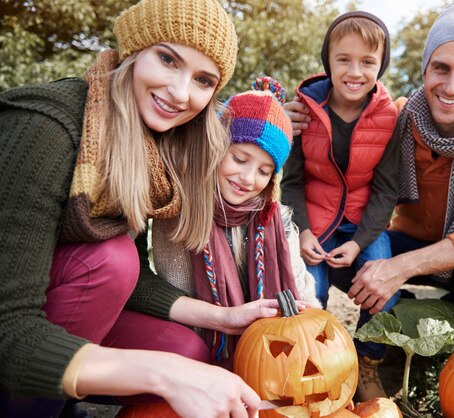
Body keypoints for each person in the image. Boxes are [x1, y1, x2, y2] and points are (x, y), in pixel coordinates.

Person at [0, 1, 291, 417]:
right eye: (168, 59)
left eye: (203, 80)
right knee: (111, 260)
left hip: (60, 303)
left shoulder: (151, 151)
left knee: (186, 348)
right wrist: (162, 373)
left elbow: (133, 282)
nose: (180, 93)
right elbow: (8, 326)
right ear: (135, 50)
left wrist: (223, 317)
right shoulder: (48, 128)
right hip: (16, 322)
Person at [289, 0, 454, 324]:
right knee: (346, 248)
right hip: (403, 242)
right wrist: (286, 116)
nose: (451, 86)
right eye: (441, 68)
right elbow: (339, 126)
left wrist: (399, 268)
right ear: (425, 69)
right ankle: (402, 310)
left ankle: (449, 323)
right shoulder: (399, 115)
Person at [148, 77, 320, 370]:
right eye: (240, 159)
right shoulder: (182, 216)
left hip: (269, 353)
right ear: (216, 149)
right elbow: (176, 296)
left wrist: (313, 328)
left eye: (264, 171)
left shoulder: (274, 219)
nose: (248, 179)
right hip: (204, 338)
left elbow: (302, 291)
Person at [280, 11, 400, 401]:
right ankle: (312, 365)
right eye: (343, 59)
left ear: (380, 65)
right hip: (314, 217)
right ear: (327, 62)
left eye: (368, 62)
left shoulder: (390, 117)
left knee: (384, 289)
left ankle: (368, 360)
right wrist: (302, 231)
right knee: (307, 291)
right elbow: (293, 181)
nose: (355, 71)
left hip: (364, 220)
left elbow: (386, 189)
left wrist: (362, 240)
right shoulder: (304, 110)